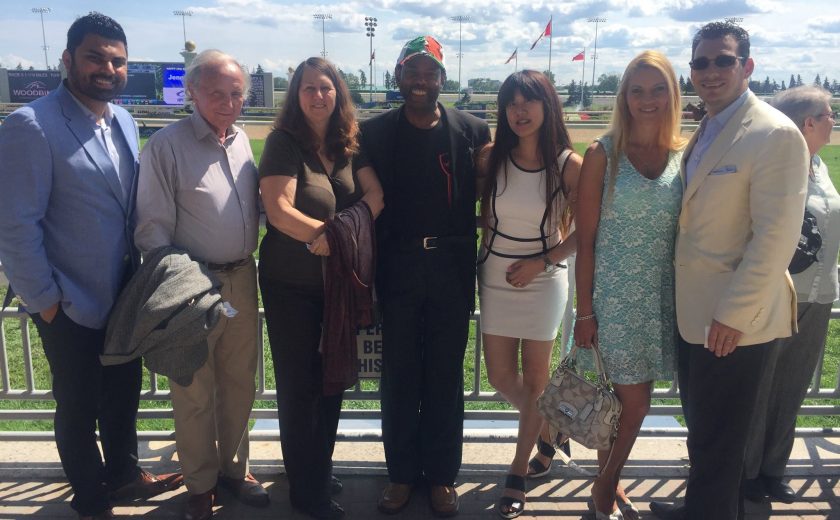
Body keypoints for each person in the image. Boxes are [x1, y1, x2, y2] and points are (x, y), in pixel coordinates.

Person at [0, 12, 182, 519]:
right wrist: (47, 303)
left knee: (122, 393)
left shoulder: (122, 119)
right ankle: (91, 497)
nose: (108, 68)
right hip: (68, 301)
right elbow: (15, 228)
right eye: (95, 57)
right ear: (67, 60)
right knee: (78, 407)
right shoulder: (29, 126)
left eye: (117, 60)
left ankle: (124, 475)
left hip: (123, 293)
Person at [649, 22, 809, 520]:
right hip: (695, 314)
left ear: (748, 67)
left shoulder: (774, 133)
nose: (711, 71)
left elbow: (775, 239)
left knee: (721, 440)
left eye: (724, 60)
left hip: (733, 321)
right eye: (701, 62)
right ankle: (706, 507)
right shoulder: (710, 126)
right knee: (706, 432)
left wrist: (734, 315)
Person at [358, 36, 491, 517]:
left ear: (442, 79)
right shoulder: (372, 134)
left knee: (444, 375)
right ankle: (399, 475)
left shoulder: (474, 130)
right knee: (399, 375)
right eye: (412, 71)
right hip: (396, 268)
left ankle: (441, 476)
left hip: (451, 268)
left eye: (429, 72)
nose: (420, 80)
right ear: (398, 76)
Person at [134, 49, 267, 520]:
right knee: (191, 388)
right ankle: (199, 483)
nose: (227, 102)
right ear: (192, 92)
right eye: (215, 93)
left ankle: (234, 470)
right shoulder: (166, 146)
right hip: (192, 283)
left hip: (240, 281)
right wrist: (179, 286)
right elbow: (151, 229)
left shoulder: (241, 140)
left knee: (239, 381)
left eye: (235, 94)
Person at [257, 57, 383, 520]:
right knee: (299, 387)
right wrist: (330, 235)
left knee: (332, 380)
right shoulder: (283, 142)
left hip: (337, 286)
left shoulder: (349, 143)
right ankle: (306, 492)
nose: (317, 96)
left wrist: (345, 232)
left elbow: (376, 197)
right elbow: (278, 209)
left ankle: (315, 467)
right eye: (308, 88)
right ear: (297, 95)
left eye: (326, 88)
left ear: (338, 93)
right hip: (290, 285)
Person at [573, 50, 686, 520]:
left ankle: (609, 488)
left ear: (673, 95)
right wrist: (584, 311)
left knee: (618, 405)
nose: (647, 99)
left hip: (660, 298)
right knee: (635, 403)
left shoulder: (684, 154)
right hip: (612, 300)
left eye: (658, 89)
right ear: (623, 97)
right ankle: (604, 488)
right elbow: (586, 241)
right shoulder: (603, 154)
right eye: (637, 90)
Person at [476, 70, 581, 519]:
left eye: (529, 101)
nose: (519, 111)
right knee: (501, 377)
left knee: (536, 382)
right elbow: (478, 215)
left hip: (543, 277)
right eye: (511, 103)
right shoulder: (489, 158)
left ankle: (517, 473)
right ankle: (551, 428)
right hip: (495, 276)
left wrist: (544, 261)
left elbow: (588, 229)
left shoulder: (567, 164)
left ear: (547, 106)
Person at [743, 85, 840, 504]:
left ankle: (771, 472)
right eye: (829, 113)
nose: (834, 120)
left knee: (792, 387)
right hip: (778, 295)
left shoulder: (819, 165)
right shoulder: (775, 165)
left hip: (818, 295)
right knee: (759, 389)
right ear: (809, 122)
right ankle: (745, 474)